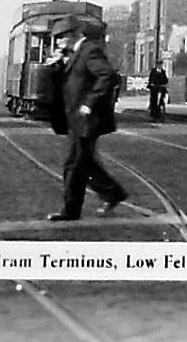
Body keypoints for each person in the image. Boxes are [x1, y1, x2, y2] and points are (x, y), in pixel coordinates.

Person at [46, 16, 127, 222]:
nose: (58, 42)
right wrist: (57, 65)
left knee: (74, 164)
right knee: (84, 163)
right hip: (76, 119)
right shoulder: (75, 53)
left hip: (86, 119)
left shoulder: (89, 51)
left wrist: (89, 103)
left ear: (74, 34)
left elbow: (106, 75)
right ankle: (112, 193)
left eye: (61, 37)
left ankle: (71, 211)